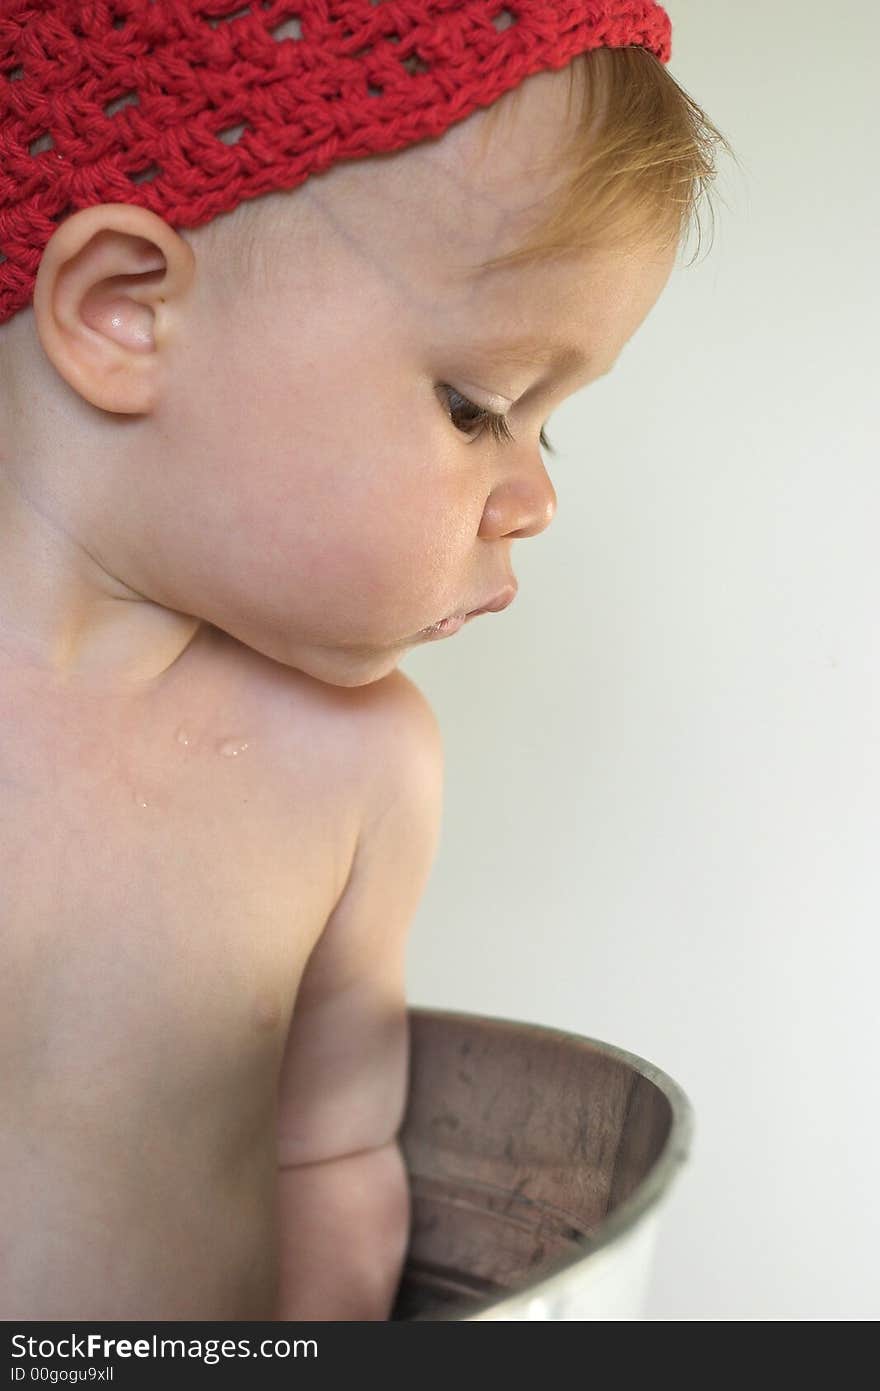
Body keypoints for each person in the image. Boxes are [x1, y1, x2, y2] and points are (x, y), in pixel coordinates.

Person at [0, 1, 731, 1319]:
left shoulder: (354, 770)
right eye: (480, 409)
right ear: (122, 315)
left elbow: (331, 1149)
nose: (536, 500)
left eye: (545, 434)